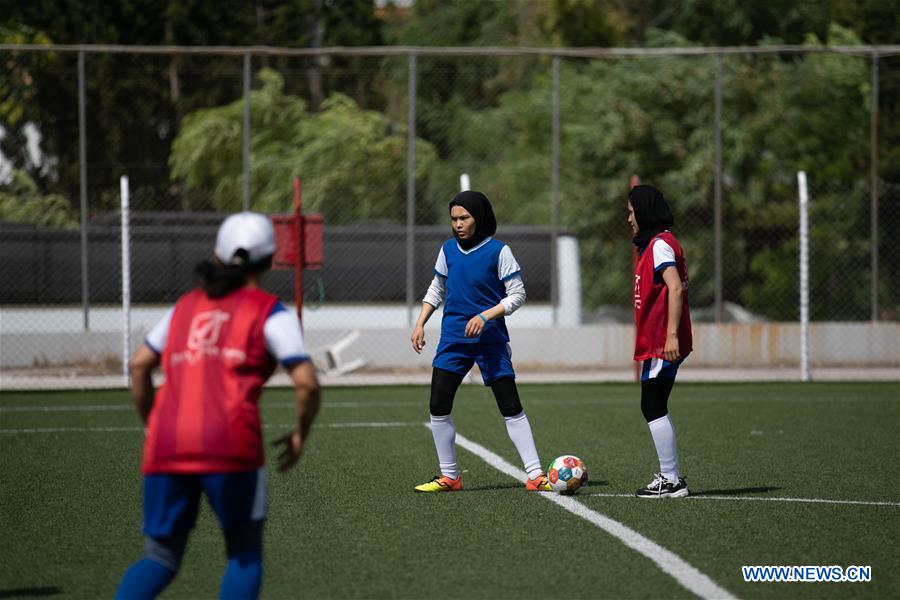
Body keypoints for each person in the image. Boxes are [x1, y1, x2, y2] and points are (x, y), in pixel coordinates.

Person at [115, 212, 320, 599]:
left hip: (167, 443)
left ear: (217, 255)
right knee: (243, 555)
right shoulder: (271, 312)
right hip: (231, 444)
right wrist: (299, 435)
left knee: (159, 558)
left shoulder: (184, 306)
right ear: (271, 260)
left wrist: (153, 424)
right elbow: (306, 384)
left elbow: (139, 364)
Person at [410, 190, 550, 492]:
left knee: (510, 405)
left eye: (464, 218)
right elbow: (437, 289)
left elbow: (518, 294)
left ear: (480, 218)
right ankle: (449, 476)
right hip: (453, 341)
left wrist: (487, 316)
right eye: (454, 219)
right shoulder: (447, 250)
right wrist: (420, 322)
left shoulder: (499, 251)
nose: (458, 224)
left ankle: (536, 475)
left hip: (491, 341)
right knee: (438, 406)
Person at [627, 185, 692, 498]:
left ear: (644, 212)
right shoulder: (655, 244)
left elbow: (675, 288)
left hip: (660, 341)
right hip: (657, 340)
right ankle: (671, 477)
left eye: (631, 211)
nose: (629, 218)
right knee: (654, 404)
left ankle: (672, 479)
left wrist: (670, 335)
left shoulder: (660, 245)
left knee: (651, 404)